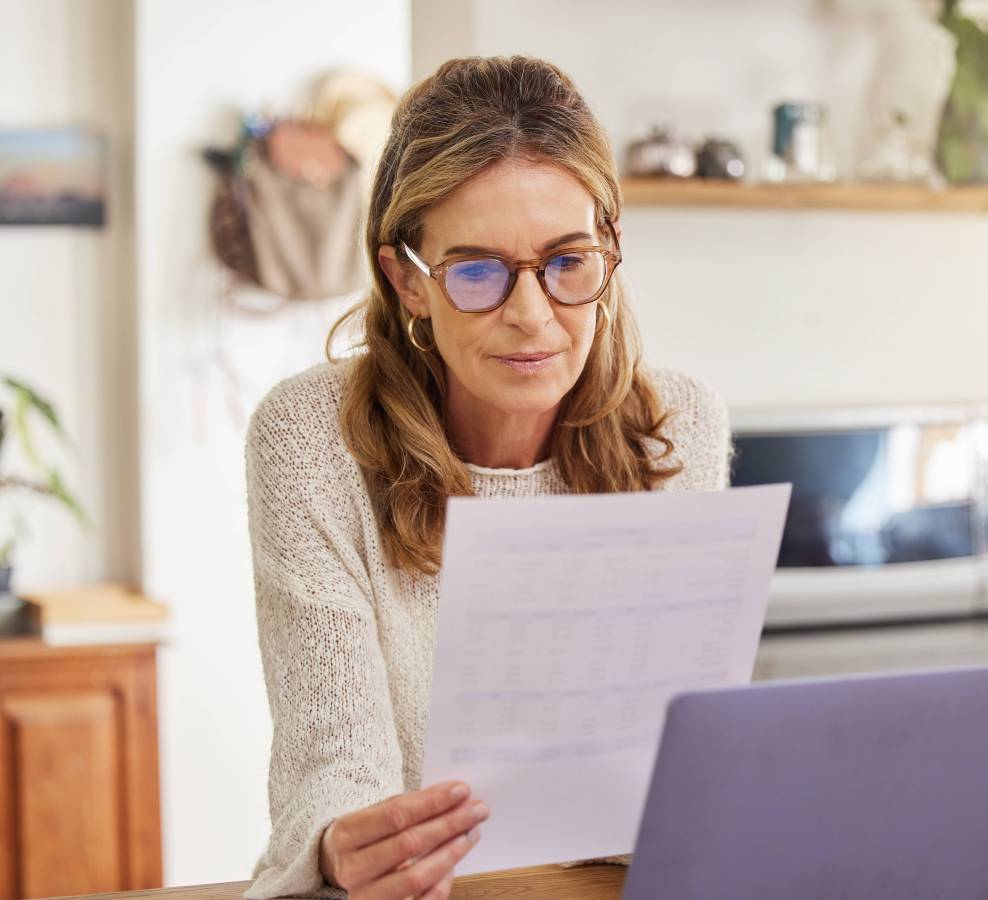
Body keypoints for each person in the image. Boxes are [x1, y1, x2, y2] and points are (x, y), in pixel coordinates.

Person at [243, 55, 731, 900]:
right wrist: (340, 847)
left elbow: (667, 767)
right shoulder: (311, 439)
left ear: (611, 250)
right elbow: (333, 774)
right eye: (477, 272)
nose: (532, 316)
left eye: (569, 263)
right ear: (408, 280)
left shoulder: (679, 425)